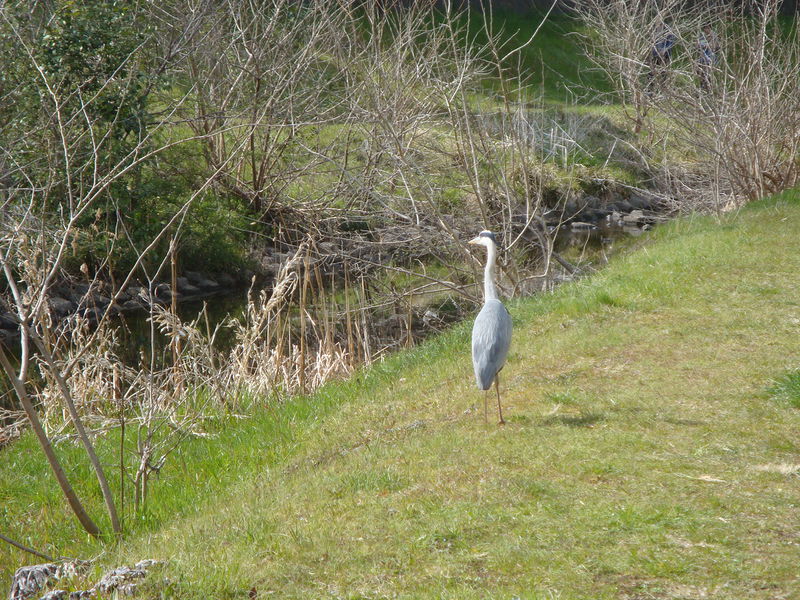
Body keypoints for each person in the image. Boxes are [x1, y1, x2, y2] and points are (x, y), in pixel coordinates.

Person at [696, 23, 720, 91]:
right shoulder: (701, 35)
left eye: (707, 28)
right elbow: (697, 45)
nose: (706, 30)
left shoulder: (714, 36)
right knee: (699, 71)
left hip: (710, 57)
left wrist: (707, 45)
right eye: (705, 28)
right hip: (702, 57)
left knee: (707, 73)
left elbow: (716, 46)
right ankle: (702, 86)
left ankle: (708, 88)